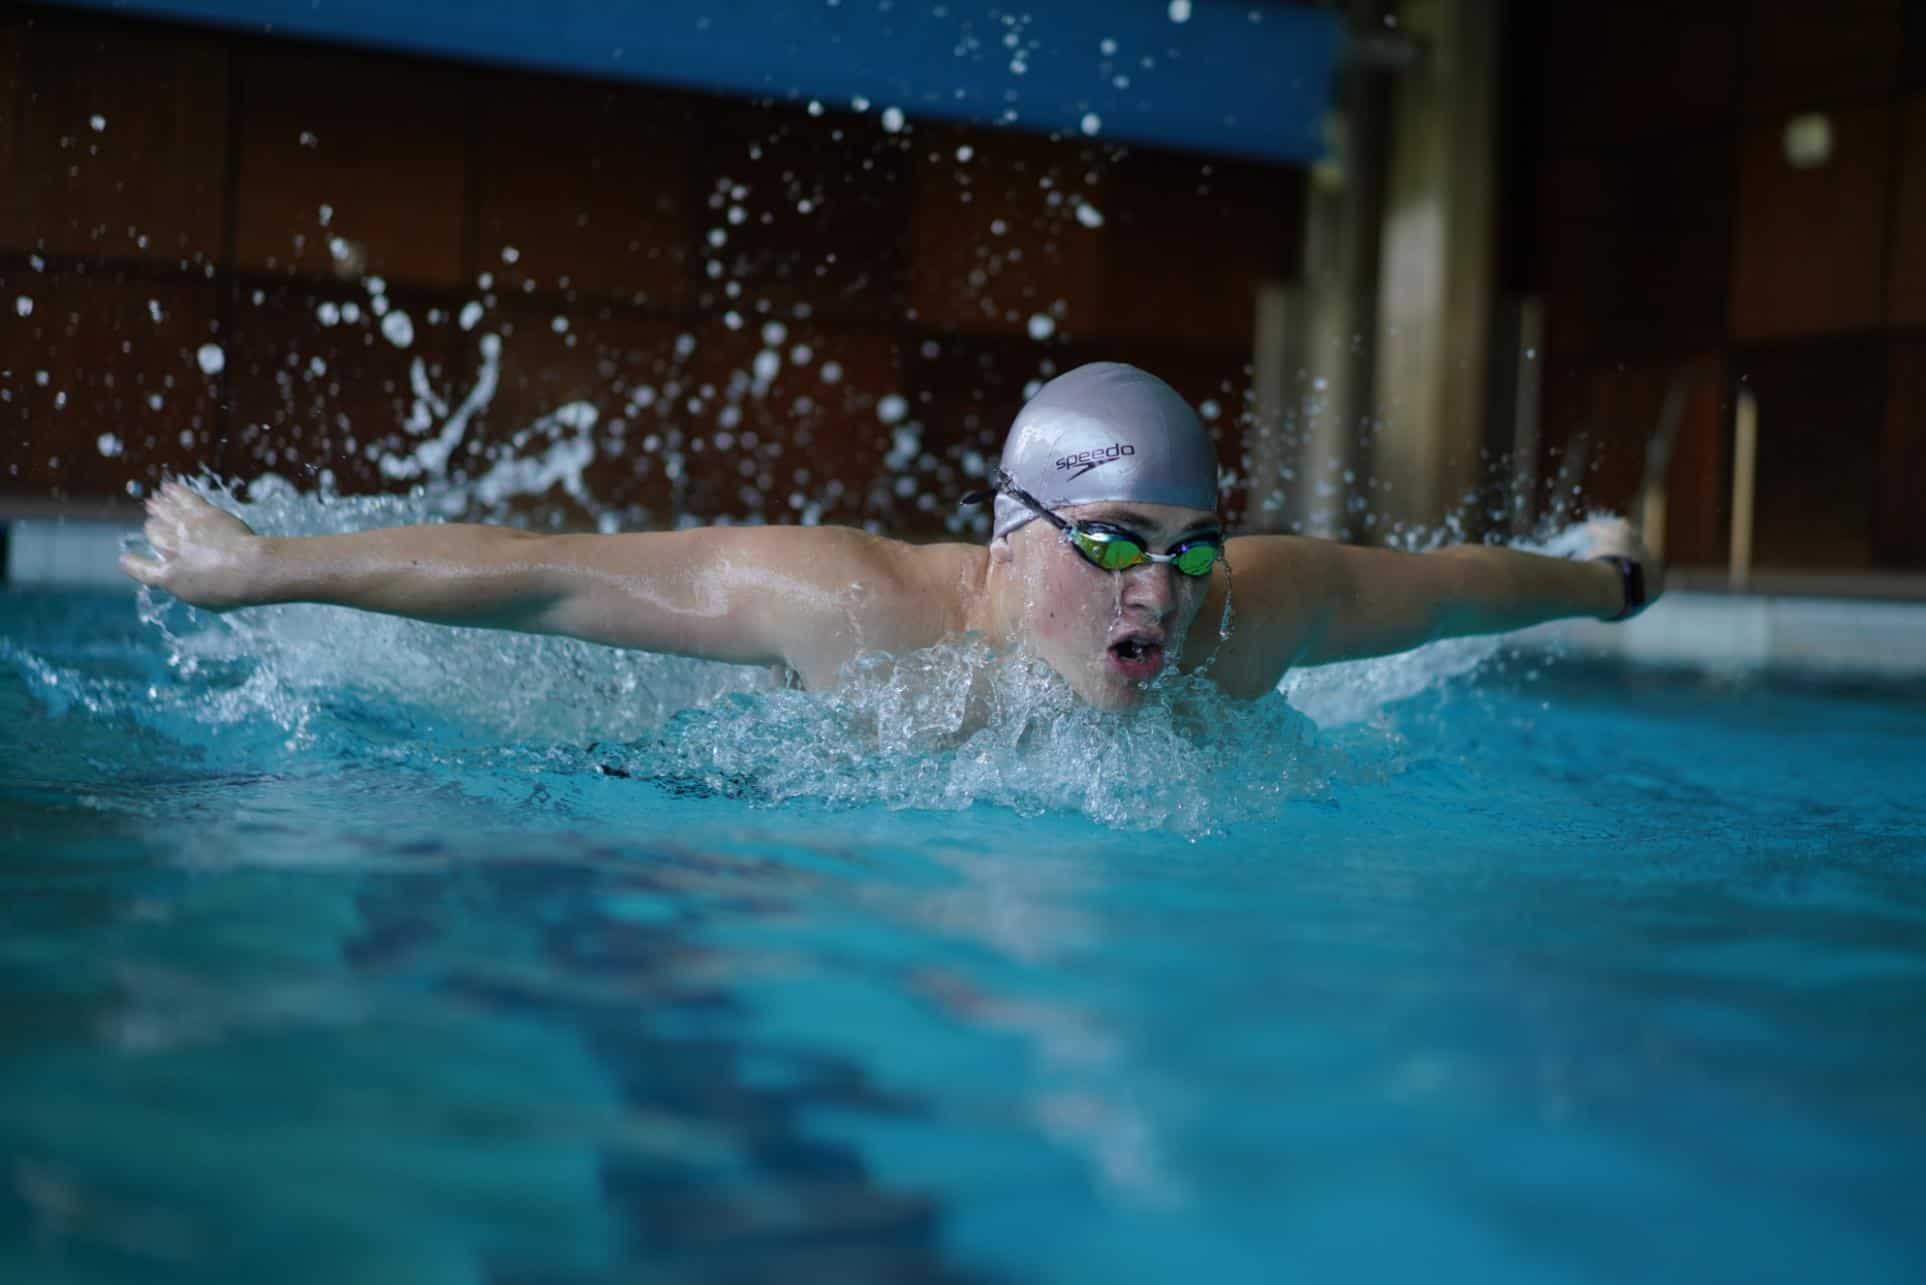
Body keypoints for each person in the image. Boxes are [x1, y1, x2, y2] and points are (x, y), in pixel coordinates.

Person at [119, 362, 1657, 711]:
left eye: (1190, 545)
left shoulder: (1246, 616)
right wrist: (266, 568)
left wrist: (1600, 582)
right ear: (1009, 536)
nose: (1162, 585)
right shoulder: (852, 608)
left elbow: (1450, 589)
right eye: (1112, 540)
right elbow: (539, 572)